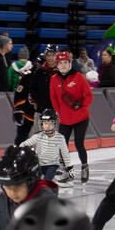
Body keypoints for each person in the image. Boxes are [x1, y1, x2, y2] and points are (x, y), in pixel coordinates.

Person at [49, 51, 93, 183]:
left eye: (66, 62)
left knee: (79, 143)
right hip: (65, 119)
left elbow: (89, 95)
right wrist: (60, 113)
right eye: (60, 63)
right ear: (57, 64)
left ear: (70, 63)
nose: (63, 65)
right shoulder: (53, 80)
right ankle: (68, 171)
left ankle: (84, 167)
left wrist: (82, 106)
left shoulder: (79, 77)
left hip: (81, 118)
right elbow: (54, 99)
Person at [19, 111, 72, 182]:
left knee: (47, 179)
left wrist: (69, 167)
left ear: (55, 124)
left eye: (50, 123)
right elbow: (23, 144)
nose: (48, 126)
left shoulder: (60, 138)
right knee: (30, 179)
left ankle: (50, 182)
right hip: (39, 164)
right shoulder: (38, 136)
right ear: (42, 124)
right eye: (45, 123)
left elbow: (65, 153)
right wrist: (24, 152)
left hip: (53, 164)